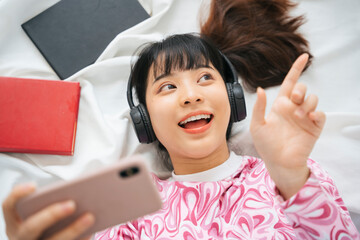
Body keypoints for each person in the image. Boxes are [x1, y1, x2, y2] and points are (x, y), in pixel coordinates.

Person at [2, 1, 360, 240]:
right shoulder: (130, 212)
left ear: (233, 99)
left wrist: (293, 177)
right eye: (168, 86)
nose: (191, 96)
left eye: (205, 78)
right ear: (145, 121)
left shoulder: (289, 175)